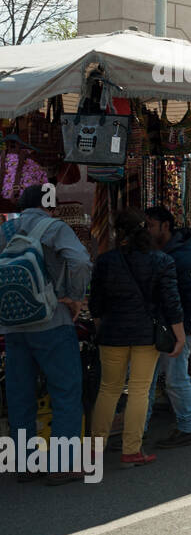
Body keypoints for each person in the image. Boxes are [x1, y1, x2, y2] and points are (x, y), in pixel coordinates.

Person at [1, 184, 93, 484]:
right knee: (65, 391)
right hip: (51, 321)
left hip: (12, 324)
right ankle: (62, 464)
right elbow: (79, 261)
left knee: (19, 393)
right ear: (50, 206)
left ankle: (25, 464)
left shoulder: (5, 229)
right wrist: (76, 296)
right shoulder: (54, 227)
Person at [89, 209, 185, 467]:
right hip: (145, 332)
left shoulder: (105, 260)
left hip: (111, 332)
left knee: (108, 389)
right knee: (140, 391)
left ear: (117, 232)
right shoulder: (161, 260)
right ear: (144, 230)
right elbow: (171, 301)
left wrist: (101, 325)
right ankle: (131, 451)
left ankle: (95, 449)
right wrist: (179, 335)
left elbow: (95, 302)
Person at [143, 206, 191, 448]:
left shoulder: (182, 256)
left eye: (151, 225)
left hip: (178, 328)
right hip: (163, 325)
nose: (147, 230)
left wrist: (190, 332)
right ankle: (140, 428)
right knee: (148, 379)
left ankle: (188, 427)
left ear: (165, 226)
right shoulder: (161, 252)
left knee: (175, 377)